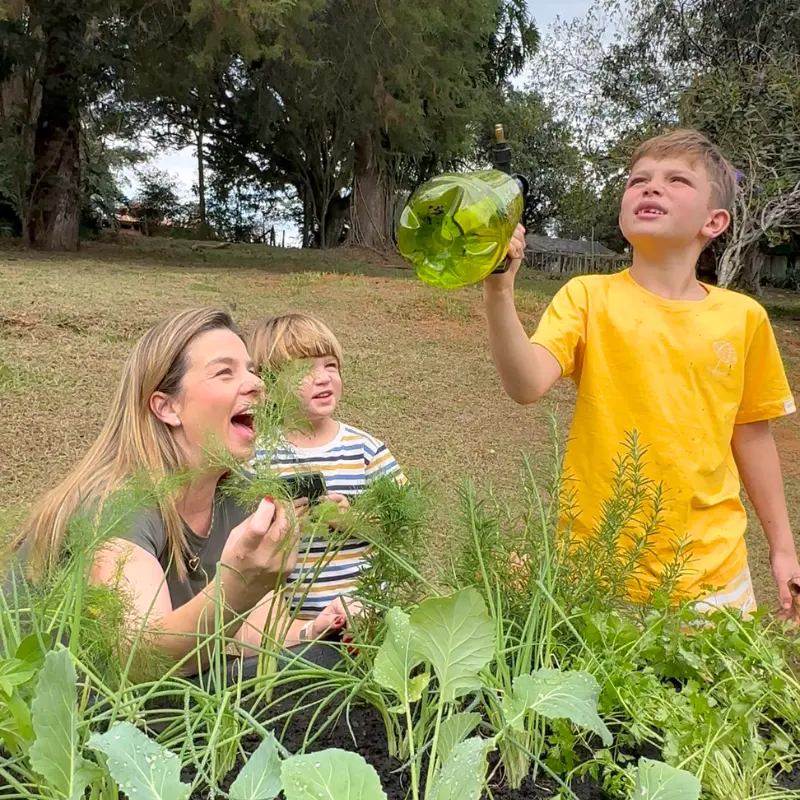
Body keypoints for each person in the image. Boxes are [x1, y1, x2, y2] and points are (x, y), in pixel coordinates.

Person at [484, 128, 800, 615]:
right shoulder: (587, 297)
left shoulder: (744, 318)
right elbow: (526, 384)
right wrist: (500, 292)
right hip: (596, 568)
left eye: (677, 180)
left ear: (714, 221)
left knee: (708, 692)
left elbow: (752, 436)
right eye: (638, 180)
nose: (651, 187)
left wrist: (782, 548)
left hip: (713, 575)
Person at [14, 308, 300, 673]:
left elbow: (254, 633)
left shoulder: (239, 495)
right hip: (42, 714)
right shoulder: (118, 501)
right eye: (225, 372)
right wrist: (237, 586)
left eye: (252, 370)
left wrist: (320, 628)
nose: (257, 383)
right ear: (167, 406)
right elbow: (141, 659)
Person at [247, 312, 404, 645]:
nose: (323, 378)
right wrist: (282, 526)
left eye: (330, 366)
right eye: (305, 369)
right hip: (290, 626)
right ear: (270, 384)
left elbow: (404, 523)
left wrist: (352, 520)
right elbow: (241, 541)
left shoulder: (364, 449)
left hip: (366, 614)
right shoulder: (256, 458)